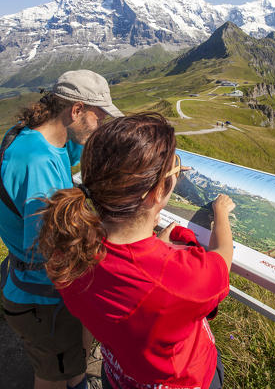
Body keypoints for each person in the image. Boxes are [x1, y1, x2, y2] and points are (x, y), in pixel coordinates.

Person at [38, 113, 235, 389]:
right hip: (184, 379)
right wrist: (221, 213)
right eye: (174, 168)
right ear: (156, 191)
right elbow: (222, 258)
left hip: (119, 376)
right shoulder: (178, 279)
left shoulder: (70, 250)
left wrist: (158, 249)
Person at [0, 69, 123, 389]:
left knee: (70, 365)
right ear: (77, 109)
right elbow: (48, 249)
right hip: (42, 296)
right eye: (98, 117)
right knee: (56, 376)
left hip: (32, 285)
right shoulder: (37, 162)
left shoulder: (30, 134)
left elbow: (77, 149)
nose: (101, 125)